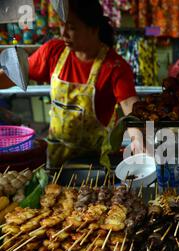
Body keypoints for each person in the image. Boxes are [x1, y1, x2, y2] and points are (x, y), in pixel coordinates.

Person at [0, 0, 142, 169]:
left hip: (95, 164)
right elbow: (12, 77)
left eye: (72, 28)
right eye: (63, 26)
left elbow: (129, 105)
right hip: (56, 159)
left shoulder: (114, 66)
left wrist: (138, 139)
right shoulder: (53, 52)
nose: (64, 33)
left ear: (93, 29)